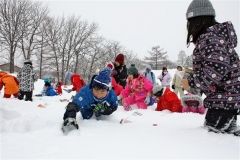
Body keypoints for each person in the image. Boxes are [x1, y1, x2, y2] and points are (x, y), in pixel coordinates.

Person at [182, 0, 240, 136]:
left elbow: (216, 69)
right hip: (226, 98)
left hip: (224, 98)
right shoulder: (214, 37)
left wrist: (191, 82)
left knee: (213, 134)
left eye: (190, 22)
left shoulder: (210, 38)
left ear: (198, 21)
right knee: (226, 133)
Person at [62, 68, 118, 132]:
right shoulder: (86, 92)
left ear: (108, 91)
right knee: (87, 117)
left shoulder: (111, 95)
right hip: (88, 106)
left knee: (100, 114)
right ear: (92, 87)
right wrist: (70, 115)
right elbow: (75, 104)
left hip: (102, 106)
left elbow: (114, 106)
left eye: (102, 91)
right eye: (96, 90)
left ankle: (99, 112)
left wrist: (107, 110)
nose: (98, 94)